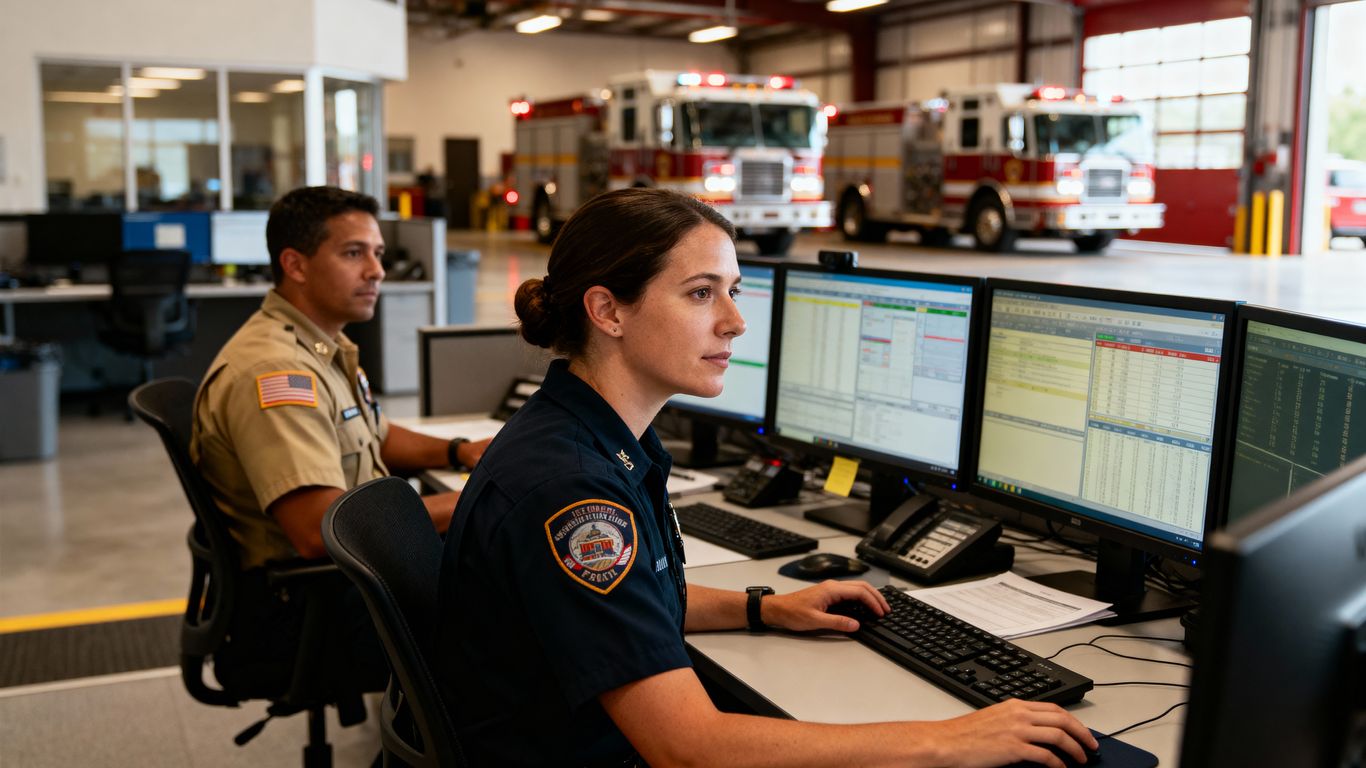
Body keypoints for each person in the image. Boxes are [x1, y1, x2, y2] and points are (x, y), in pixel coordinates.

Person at [435, 187, 1098, 767]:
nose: (736, 321)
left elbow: (627, 609)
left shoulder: (592, 439)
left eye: (735, 291)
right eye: (701, 293)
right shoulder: (574, 491)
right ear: (608, 311)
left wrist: (763, 607)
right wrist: (946, 740)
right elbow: (689, 749)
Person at [192, 185, 489, 695]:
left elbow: (374, 435)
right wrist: (469, 502)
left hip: (351, 581)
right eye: (354, 254)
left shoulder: (318, 343)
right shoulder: (277, 371)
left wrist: (458, 452)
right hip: (314, 606)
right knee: (525, 621)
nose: (376, 270)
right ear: (296, 265)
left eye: (377, 253)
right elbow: (316, 528)